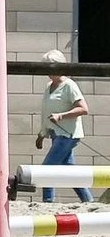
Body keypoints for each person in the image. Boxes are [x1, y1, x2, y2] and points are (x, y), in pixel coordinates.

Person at [37, 50, 90, 205]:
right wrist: (42, 134)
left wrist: (61, 115)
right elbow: (46, 111)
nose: (48, 72)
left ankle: (48, 202)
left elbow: (84, 109)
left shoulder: (69, 86)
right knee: (69, 171)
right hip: (55, 133)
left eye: (50, 67)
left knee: (47, 169)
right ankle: (88, 201)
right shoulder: (49, 86)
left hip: (68, 135)